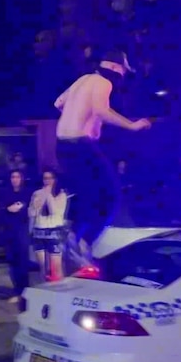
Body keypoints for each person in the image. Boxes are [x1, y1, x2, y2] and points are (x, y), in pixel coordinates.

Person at [54, 50, 151, 255]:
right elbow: (101, 110)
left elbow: (58, 103)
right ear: (117, 68)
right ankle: (84, 240)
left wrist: (82, 118)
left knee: (88, 192)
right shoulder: (103, 83)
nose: (123, 77)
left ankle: (73, 233)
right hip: (80, 145)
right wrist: (132, 125)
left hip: (62, 146)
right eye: (123, 72)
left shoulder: (82, 79)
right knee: (112, 193)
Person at [29, 170, 69, 281]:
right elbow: (31, 213)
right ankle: (45, 291)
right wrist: (37, 205)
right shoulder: (37, 193)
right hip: (39, 232)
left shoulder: (61, 195)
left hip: (54, 233)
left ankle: (59, 293)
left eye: (50, 178)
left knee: (56, 268)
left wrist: (48, 194)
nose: (47, 181)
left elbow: (54, 211)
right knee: (43, 268)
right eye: (45, 178)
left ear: (55, 179)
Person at [0, 170, 32, 302]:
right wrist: (7, 209)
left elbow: (32, 209)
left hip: (22, 229)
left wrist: (22, 208)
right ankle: (17, 290)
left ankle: (25, 290)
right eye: (13, 177)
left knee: (22, 260)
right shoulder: (5, 192)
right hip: (9, 230)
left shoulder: (27, 193)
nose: (15, 179)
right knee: (12, 261)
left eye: (18, 177)